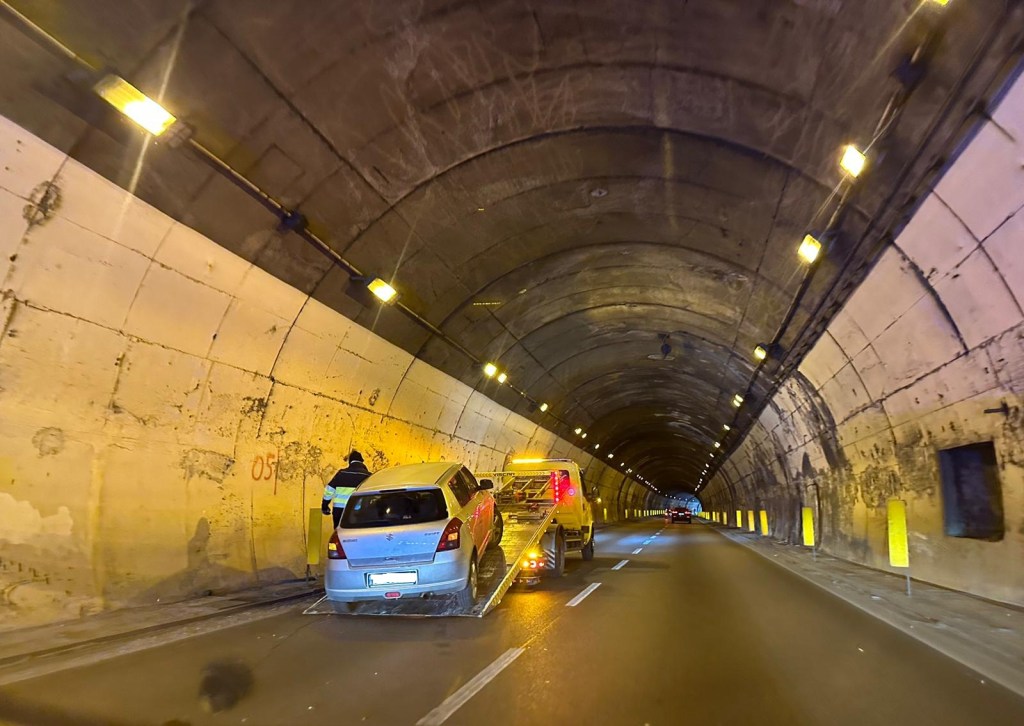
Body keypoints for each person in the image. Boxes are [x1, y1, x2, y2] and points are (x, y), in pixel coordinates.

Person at [322, 450, 372, 528]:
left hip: (339, 510)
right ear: (362, 462)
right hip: (357, 511)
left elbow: (329, 490)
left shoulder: (341, 473)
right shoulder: (367, 476)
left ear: (350, 462)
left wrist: (324, 506)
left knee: (339, 534)